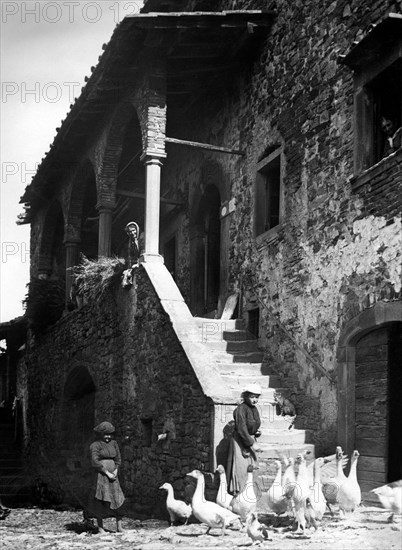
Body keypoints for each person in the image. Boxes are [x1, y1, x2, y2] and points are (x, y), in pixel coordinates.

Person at [85, 421, 125, 534]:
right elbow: (95, 461)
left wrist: (116, 470)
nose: (108, 437)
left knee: (117, 498)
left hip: (114, 475)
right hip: (101, 475)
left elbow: (118, 459)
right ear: (100, 435)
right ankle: (101, 528)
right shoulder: (95, 445)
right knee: (101, 498)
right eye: (105, 434)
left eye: (110, 434)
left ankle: (119, 527)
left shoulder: (114, 444)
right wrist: (107, 473)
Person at [226, 383, 262, 495]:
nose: (254, 400)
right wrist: (251, 443)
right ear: (245, 396)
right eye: (252, 397)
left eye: (256, 397)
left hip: (249, 438)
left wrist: (255, 432)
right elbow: (241, 428)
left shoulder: (254, 409)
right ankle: (239, 492)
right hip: (240, 441)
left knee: (252, 466)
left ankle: (250, 493)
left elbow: (251, 424)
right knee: (242, 467)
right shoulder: (240, 409)